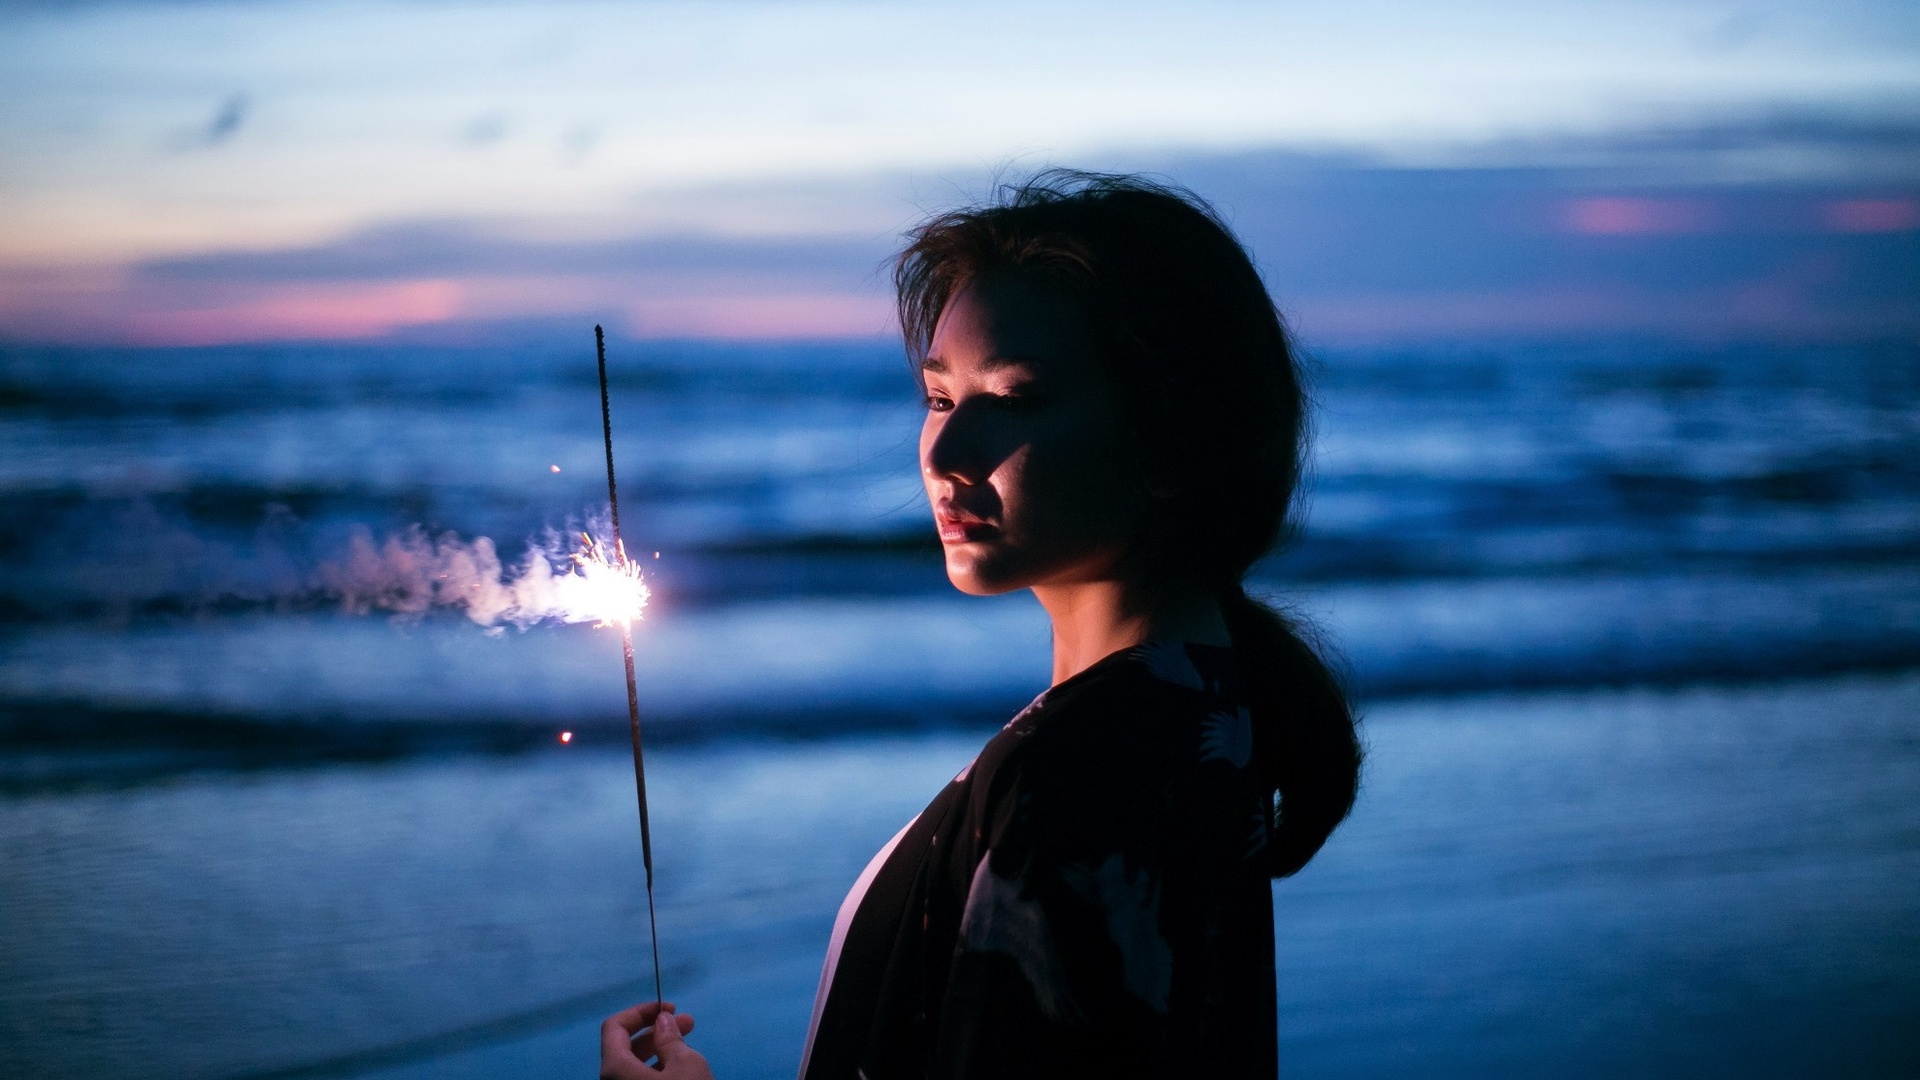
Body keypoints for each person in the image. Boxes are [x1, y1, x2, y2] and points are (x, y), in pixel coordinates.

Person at [601, 171, 1362, 1080]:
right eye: (938, 398)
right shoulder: (1195, 712)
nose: (947, 455)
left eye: (1013, 399)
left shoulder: (1083, 769)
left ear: (1171, 439)